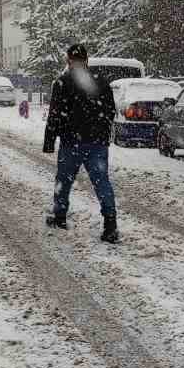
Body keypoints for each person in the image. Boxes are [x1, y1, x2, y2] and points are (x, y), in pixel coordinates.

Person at [42, 43, 119, 243]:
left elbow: (55, 114)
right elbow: (110, 111)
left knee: (64, 180)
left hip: (71, 142)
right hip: (97, 143)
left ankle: (59, 216)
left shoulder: (62, 82)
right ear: (87, 60)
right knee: (102, 182)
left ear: (68, 61)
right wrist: (102, 132)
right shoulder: (101, 81)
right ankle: (110, 223)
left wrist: (50, 140)